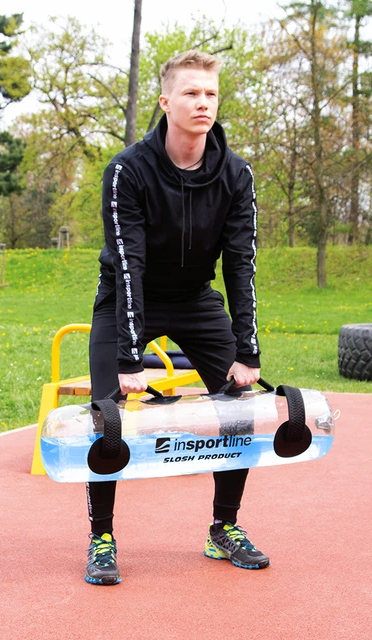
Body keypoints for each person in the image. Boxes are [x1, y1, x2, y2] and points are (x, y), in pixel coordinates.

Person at [86, 50, 268, 585]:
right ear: (166, 102)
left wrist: (247, 350)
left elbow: (241, 263)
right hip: (125, 296)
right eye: (191, 93)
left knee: (241, 409)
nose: (202, 103)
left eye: (210, 94)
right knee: (108, 417)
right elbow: (128, 264)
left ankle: (224, 529)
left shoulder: (236, 175)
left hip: (195, 297)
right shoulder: (128, 171)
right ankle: (101, 536)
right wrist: (126, 357)